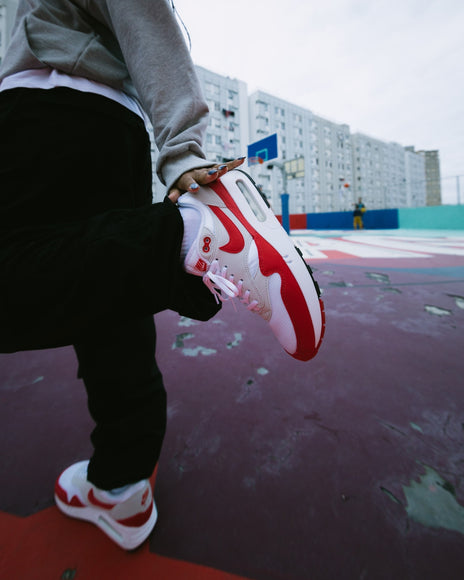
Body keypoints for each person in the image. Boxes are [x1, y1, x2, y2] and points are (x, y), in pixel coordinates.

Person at [0, 0, 324, 550]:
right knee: (110, 308)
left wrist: (184, 152)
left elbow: (141, 9)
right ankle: (121, 487)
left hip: (36, 118)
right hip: (112, 127)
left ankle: (185, 233)